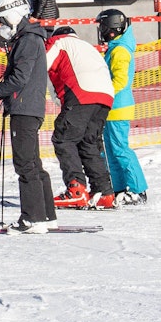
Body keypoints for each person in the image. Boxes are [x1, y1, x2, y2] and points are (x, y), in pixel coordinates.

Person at [0, 0, 56, 233]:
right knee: (33, 163)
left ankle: (33, 218)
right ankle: (46, 215)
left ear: (15, 15)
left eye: (3, 21)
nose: (2, 27)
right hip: (27, 106)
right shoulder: (27, 38)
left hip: (25, 108)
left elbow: (20, 77)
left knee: (25, 163)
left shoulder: (28, 40)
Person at [45, 27, 116, 209]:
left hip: (81, 93)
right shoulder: (87, 47)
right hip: (106, 96)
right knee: (89, 143)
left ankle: (76, 189)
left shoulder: (58, 42)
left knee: (63, 138)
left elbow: (42, 64)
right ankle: (105, 193)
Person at [98, 10, 148, 206]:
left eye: (103, 26)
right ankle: (119, 189)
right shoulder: (114, 48)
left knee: (120, 149)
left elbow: (120, 80)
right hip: (111, 107)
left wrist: (105, 92)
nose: (101, 30)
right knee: (110, 151)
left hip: (118, 106)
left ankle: (138, 189)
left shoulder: (120, 50)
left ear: (111, 27)